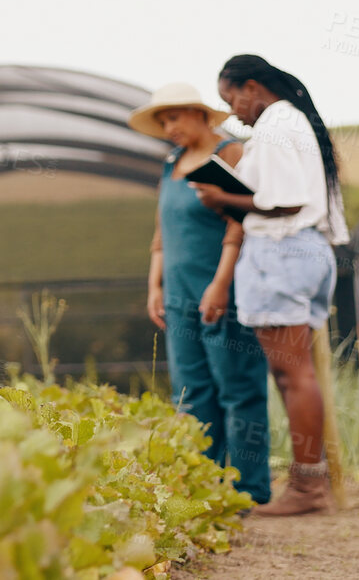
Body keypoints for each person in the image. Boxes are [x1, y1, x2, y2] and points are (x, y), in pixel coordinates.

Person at [195, 54, 348, 516]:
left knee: (291, 372)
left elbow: (282, 202)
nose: (235, 112)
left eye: (232, 98)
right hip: (304, 250)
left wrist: (222, 197)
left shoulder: (276, 125)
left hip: (281, 251)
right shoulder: (294, 122)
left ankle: (307, 488)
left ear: (253, 86)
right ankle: (311, 480)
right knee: (298, 370)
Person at [130, 83, 271, 508]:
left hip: (222, 293)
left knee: (238, 388)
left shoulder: (230, 152)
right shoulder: (171, 163)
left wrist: (220, 283)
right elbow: (161, 232)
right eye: (162, 121)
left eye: (174, 118)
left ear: (198, 114)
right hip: (177, 294)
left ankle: (250, 491)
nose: (168, 128)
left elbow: (240, 222)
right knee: (190, 393)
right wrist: (155, 285)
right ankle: (205, 488)